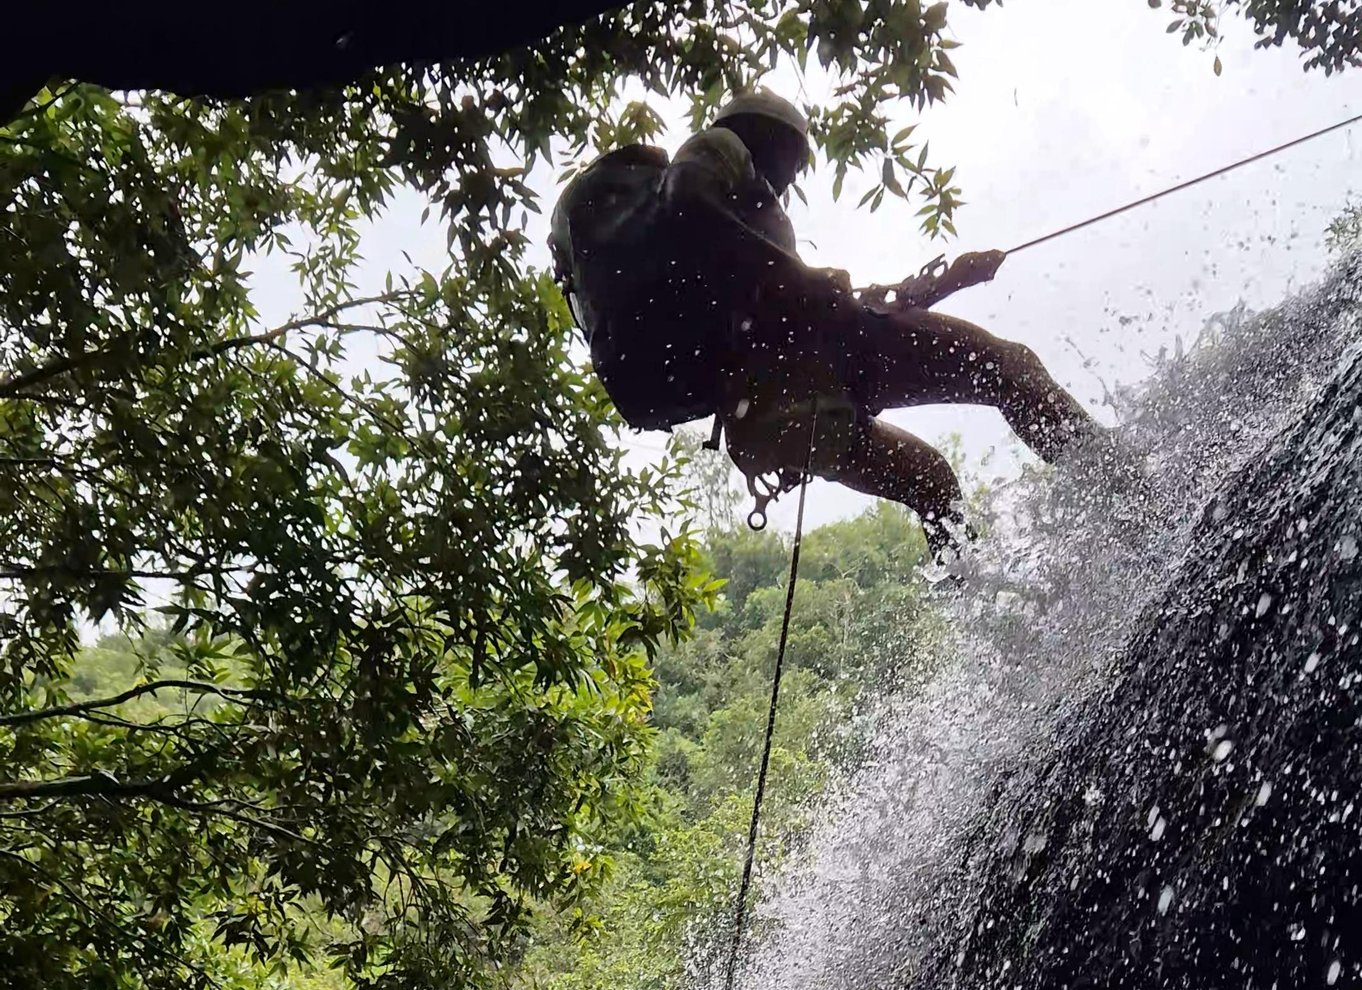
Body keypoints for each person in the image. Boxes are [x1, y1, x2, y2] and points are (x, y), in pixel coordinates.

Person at [550, 89, 1103, 556]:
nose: (789, 183)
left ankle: (991, 629)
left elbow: (835, 297)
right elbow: (689, 201)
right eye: (794, 161)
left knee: (932, 483)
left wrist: (948, 281)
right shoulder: (721, 147)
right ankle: (1127, 496)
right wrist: (805, 279)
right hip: (823, 356)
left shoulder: (705, 271)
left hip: (770, 421)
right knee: (1005, 367)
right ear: (773, 137)